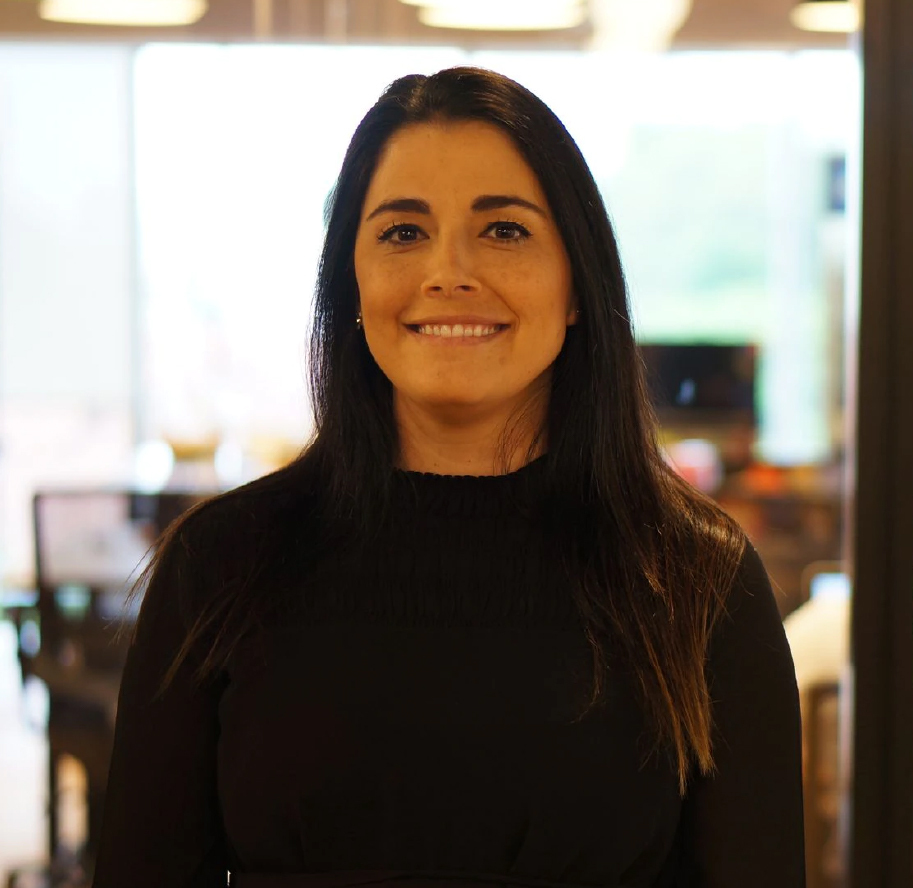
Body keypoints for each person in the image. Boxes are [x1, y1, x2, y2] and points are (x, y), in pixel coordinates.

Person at [92, 67, 805, 887]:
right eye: (402, 233)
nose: (448, 272)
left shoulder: (696, 581)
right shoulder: (219, 567)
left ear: (577, 286)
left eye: (503, 230)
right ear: (350, 286)